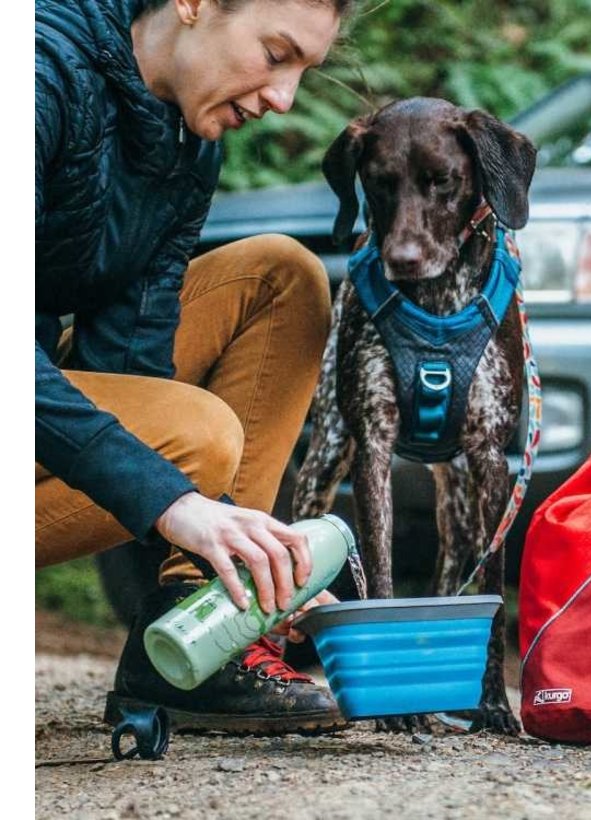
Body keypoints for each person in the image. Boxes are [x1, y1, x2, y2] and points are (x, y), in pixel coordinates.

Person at [36, 0, 355, 734]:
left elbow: (127, 371)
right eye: (276, 55)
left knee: (283, 277)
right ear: (192, 4)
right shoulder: (32, 71)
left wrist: (241, 556)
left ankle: (206, 624)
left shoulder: (184, 138)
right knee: (194, 432)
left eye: (304, 71)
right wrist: (179, 502)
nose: (285, 100)